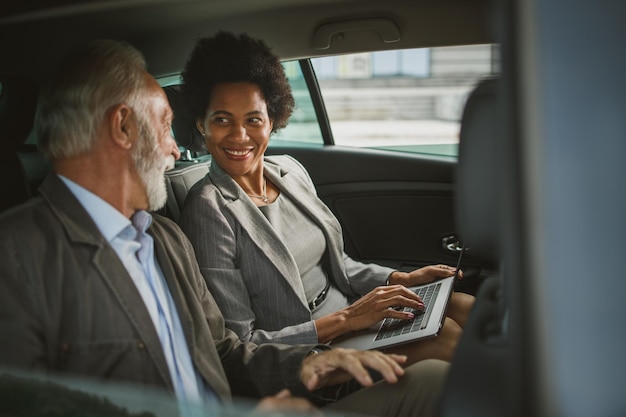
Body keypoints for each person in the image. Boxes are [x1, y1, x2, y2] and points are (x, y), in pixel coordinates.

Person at [0, 39, 449, 417]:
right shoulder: (16, 257)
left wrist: (305, 367)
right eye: (165, 127)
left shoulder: (162, 239)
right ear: (122, 126)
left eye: (254, 118)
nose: (177, 151)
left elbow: (226, 352)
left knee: (444, 361)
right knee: (437, 377)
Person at [178, 31, 475, 366]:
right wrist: (347, 320)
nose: (239, 135)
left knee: (466, 307)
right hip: (311, 351)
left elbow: (338, 264)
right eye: (222, 119)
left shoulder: (289, 171)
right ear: (201, 124)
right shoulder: (207, 211)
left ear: (272, 120)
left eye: (253, 119)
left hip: (353, 314)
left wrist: (398, 279)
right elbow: (241, 343)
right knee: (447, 337)